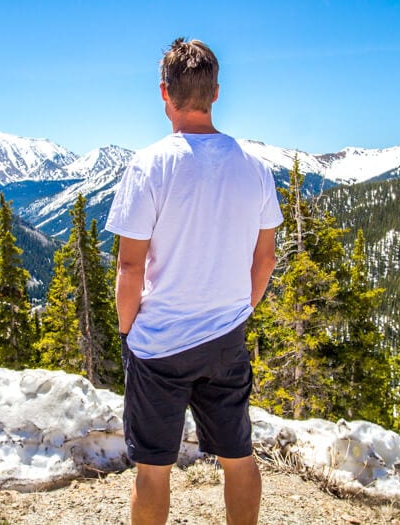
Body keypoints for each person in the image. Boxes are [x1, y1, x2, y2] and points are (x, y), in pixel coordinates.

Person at [105, 37, 283, 525]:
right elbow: (264, 257)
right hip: (225, 335)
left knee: (153, 469)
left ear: (164, 92)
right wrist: (238, 310)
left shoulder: (149, 166)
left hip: (160, 340)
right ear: (217, 93)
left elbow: (129, 267)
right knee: (238, 455)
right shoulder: (254, 166)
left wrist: (126, 332)